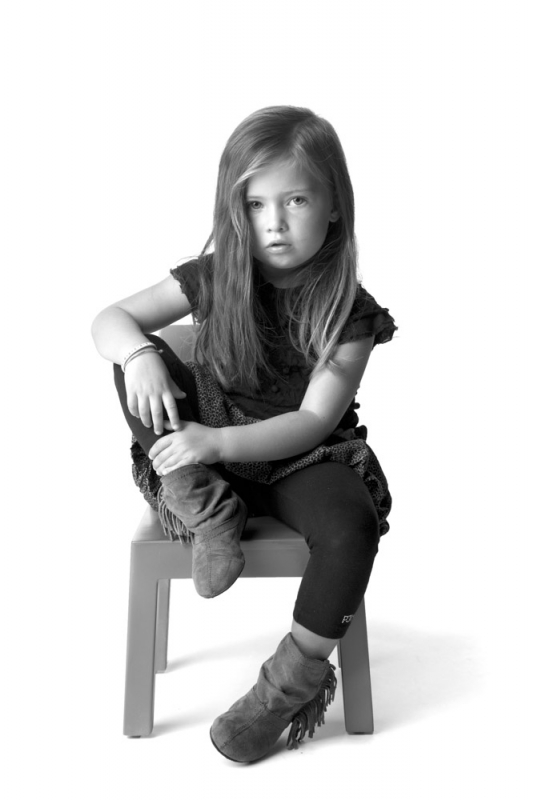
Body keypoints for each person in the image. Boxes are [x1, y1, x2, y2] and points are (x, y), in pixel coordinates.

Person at [92, 105, 397, 762]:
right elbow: (110, 319)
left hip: (302, 456)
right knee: (133, 360)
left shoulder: (351, 312)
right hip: (208, 453)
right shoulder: (213, 277)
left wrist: (217, 444)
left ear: (334, 206)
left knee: (352, 525)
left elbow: (313, 421)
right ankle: (208, 512)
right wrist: (139, 355)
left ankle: (282, 691)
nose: (274, 222)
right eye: (256, 204)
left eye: (296, 200)